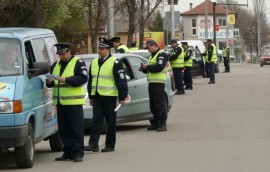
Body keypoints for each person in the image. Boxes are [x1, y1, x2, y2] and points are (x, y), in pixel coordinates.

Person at [84, 37, 128, 152]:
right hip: (97, 96)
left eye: (102, 49)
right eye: (99, 48)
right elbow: (91, 81)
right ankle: (93, 144)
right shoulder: (94, 62)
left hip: (109, 96)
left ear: (109, 49)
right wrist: (91, 96)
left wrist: (123, 96)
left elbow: (121, 81)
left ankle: (110, 145)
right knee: (96, 120)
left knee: (111, 121)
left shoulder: (115, 62)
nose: (100, 50)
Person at [46, 43, 88, 162]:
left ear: (69, 51)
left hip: (73, 102)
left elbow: (83, 78)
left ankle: (78, 153)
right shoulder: (55, 65)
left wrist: (66, 80)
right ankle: (68, 152)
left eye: (62, 53)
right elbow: (52, 83)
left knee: (76, 129)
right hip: (60, 102)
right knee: (64, 129)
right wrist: (49, 82)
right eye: (59, 54)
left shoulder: (78, 62)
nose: (61, 56)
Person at [141, 39, 168, 132]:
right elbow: (150, 69)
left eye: (149, 47)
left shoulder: (161, 54)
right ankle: (156, 123)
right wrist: (144, 68)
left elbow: (159, 67)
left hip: (158, 83)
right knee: (153, 104)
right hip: (152, 82)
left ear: (154, 45)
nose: (148, 50)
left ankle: (163, 124)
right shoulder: (152, 56)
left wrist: (147, 67)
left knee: (159, 104)